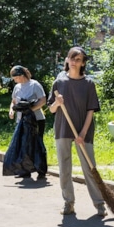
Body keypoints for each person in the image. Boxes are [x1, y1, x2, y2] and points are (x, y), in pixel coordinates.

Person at [46, 47, 106, 217]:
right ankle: (68, 203)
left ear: (83, 63)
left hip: (83, 130)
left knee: (89, 167)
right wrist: (57, 103)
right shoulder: (59, 83)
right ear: (67, 60)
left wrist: (82, 133)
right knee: (64, 168)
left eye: (78, 59)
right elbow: (51, 110)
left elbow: (91, 110)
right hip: (63, 129)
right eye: (72, 58)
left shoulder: (88, 84)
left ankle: (100, 204)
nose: (74, 62)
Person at [8, 65, 47, 179]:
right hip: (21, 121)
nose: (14, 80)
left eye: (15, 77)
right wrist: (11, 110)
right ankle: (24, 170)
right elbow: (14, 101)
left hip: (36, 120)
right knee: (22, 145)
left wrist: (30, 110)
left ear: (20, 76)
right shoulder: (17, 87)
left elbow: (43, 101)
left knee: (37, 144)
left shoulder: (34, 85)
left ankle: (41, 170)